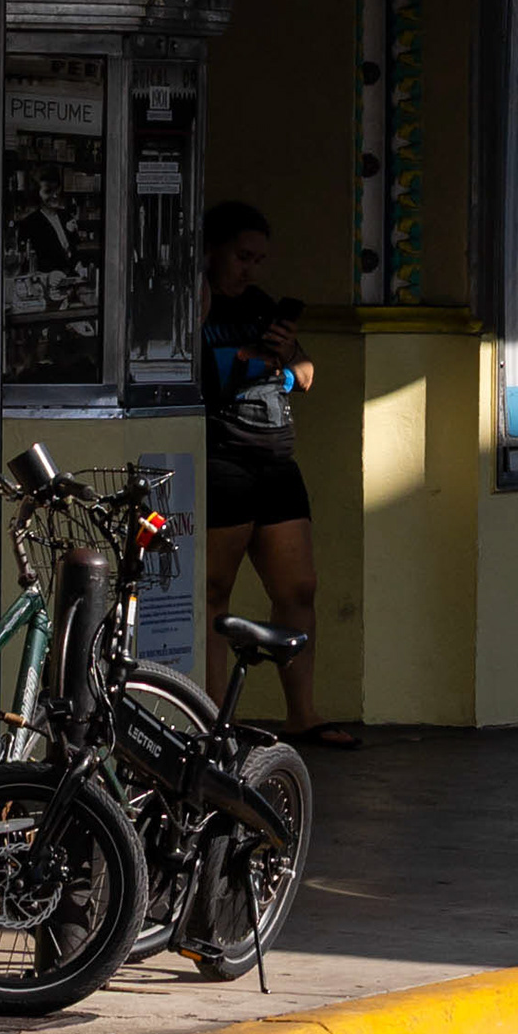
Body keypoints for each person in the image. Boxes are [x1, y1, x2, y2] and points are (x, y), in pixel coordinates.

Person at [199, 203, 350, 747]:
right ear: (212, 249)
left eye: (259, 259)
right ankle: (213, 718)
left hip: (276, 461)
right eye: (242, 256)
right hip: (225, 458)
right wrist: (243, 360)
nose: (250, 269)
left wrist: (283, 363)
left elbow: (306, 374)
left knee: (299, 587)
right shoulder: (199, 303)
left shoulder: (263, 305)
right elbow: (199, 372)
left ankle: (302, 714)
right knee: (215, 589)